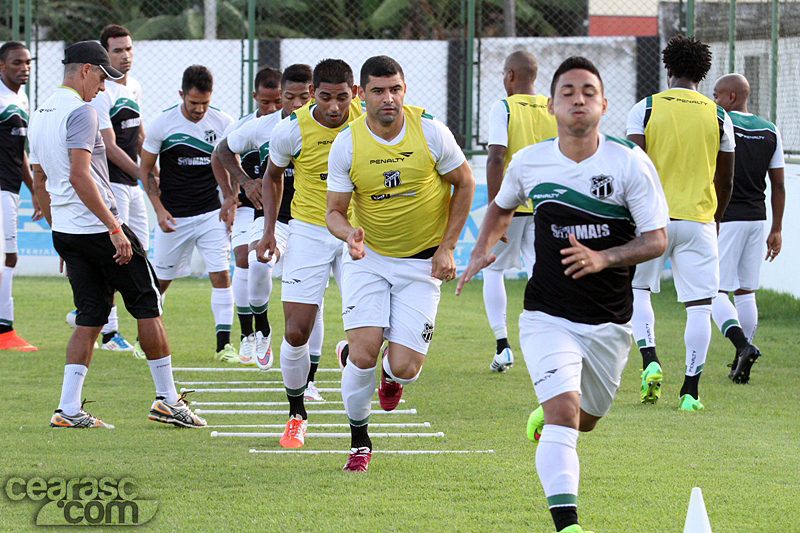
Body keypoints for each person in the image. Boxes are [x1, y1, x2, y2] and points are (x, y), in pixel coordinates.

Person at [458, 56, 668, 533]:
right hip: (547, 315)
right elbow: (501, 208)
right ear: (550, 105)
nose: (578, 99)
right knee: (564, 413)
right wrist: (481, 250)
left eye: (588, 92)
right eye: (568, 92)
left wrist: (604, 258)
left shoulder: (629, 162)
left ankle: (551, 410)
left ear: (604, 104)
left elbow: (657, 239)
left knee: (585, 419)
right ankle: (568, 524)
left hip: (610, 320)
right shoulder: (530, 161)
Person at [28, 41, 205, 428]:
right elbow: (79, 176)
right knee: (148, 304)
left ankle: (68, 409)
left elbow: (40, 180)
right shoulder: (82, 111)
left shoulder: (39, 112)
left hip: (68, 231)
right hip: (98, 229)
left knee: (90, 315)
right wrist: (113, 227)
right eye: (102, 77)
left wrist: (61, 232)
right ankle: (168, 400)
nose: (103, 87)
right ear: (85, 70)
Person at [327, 55, 474, 471]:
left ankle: (392, 376)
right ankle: (359, 442)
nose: (388, 98)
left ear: (404, 89)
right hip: (368, 258)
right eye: (378, 91)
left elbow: (465, 183)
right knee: (363, 357)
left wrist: (448, 247)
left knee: (406, 369)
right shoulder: (348, 143)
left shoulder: (430, 131)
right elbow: (334, 211)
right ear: (362, 95)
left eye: (395, 89)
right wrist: (348, 235)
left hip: (422, 264)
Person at [254, 58, 363, 448]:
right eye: (325, 97)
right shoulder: (291, 129)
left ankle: (350, 352)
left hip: (357, 234)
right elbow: (271, 176)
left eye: (342, 97)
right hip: (308, 232)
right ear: (312, 93)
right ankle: (296, 414)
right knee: (296, 331)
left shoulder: (369, 123)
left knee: (369, 331)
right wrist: (269, 231)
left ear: (355, 93)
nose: (334, 107)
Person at [626, 35, 735, 410]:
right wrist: (716, 219)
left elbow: (634, 168)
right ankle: (690, 391)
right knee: (700, 306)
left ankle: (650, 360)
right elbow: (726, 180)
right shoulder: (719, 115)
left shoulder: (646, 108)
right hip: (699, 220)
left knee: (638, 290)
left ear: (667, 67)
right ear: (703, 75)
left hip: (652, 220)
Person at [215, 65, 328, 402]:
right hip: (274, 218)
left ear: (313, 95)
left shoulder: (330, 125)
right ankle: (261, 327)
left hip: (314, 222)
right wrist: (244, 182)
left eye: (303, 97)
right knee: (257, 263)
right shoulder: (263, 126)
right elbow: (222, 150)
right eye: (289, 97)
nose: (296, 104)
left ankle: (309, 381)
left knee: (315, 304)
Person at [139, 65, 236, 361]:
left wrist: (231, 201)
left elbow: (233, 164)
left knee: (221, 275)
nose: (199, 109)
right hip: (173, 217)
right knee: (160, 282)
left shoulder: (224, 122)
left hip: (211, 214)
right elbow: (146, 169)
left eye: (205, 102)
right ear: (181, 94)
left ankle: (224, 346)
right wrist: (159, 210)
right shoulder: (162, 124)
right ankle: (145, 341)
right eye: (194, 103)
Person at [483, 49, 557, 373]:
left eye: (503, 74)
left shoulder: (503, 107)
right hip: (546, 206)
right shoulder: (551, 107)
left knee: (493, 270)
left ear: (510, 75)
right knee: (541, 273)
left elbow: (496, 157)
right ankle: (549, 345)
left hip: (511, 204)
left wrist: (494, 208)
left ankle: (503, 346)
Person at [711, 73, 784, 383]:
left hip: (726, 218)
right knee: (745, 292)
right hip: (757, 218)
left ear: (731, 97)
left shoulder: (720, 123)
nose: (714, 101)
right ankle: (739, 361)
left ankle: (742, 346)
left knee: (713, 291)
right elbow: (778, 184)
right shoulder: (770, 130)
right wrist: (776, 229)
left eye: (716, 95)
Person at [79, 24, 146, 354]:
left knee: (141, 252)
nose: (125, 55)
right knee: (117, 257)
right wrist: (144, 174)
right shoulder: (102, 93)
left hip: (134, 185)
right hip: (113, 185)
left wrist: (151, 171)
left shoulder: (134, 86)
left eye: (128, 48)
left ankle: (89, 313)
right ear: (105, 54)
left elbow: (140, 133)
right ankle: (109, 332)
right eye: (118, 50)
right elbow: (110, 146)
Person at [212, 65, 281, 365]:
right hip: (249, 204)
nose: (272, 108)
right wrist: (234, 191)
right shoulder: (243, 126)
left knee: (260, 264)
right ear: (255, 97)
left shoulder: (292, 124)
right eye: (265, 102)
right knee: (242, 258)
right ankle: (247, 334)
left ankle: (264, 331)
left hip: (283, 207)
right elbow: (218, 155)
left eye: (278, 101)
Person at [0, 41, 39, 352]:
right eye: (17, 62)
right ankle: (5, 331)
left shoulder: (21, 98)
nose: (24, 68)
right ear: (1, 66)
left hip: (11, 189)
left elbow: (20, 152)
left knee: (9, 257)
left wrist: (35, 190)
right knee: (6, 257)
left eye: (27, 62)